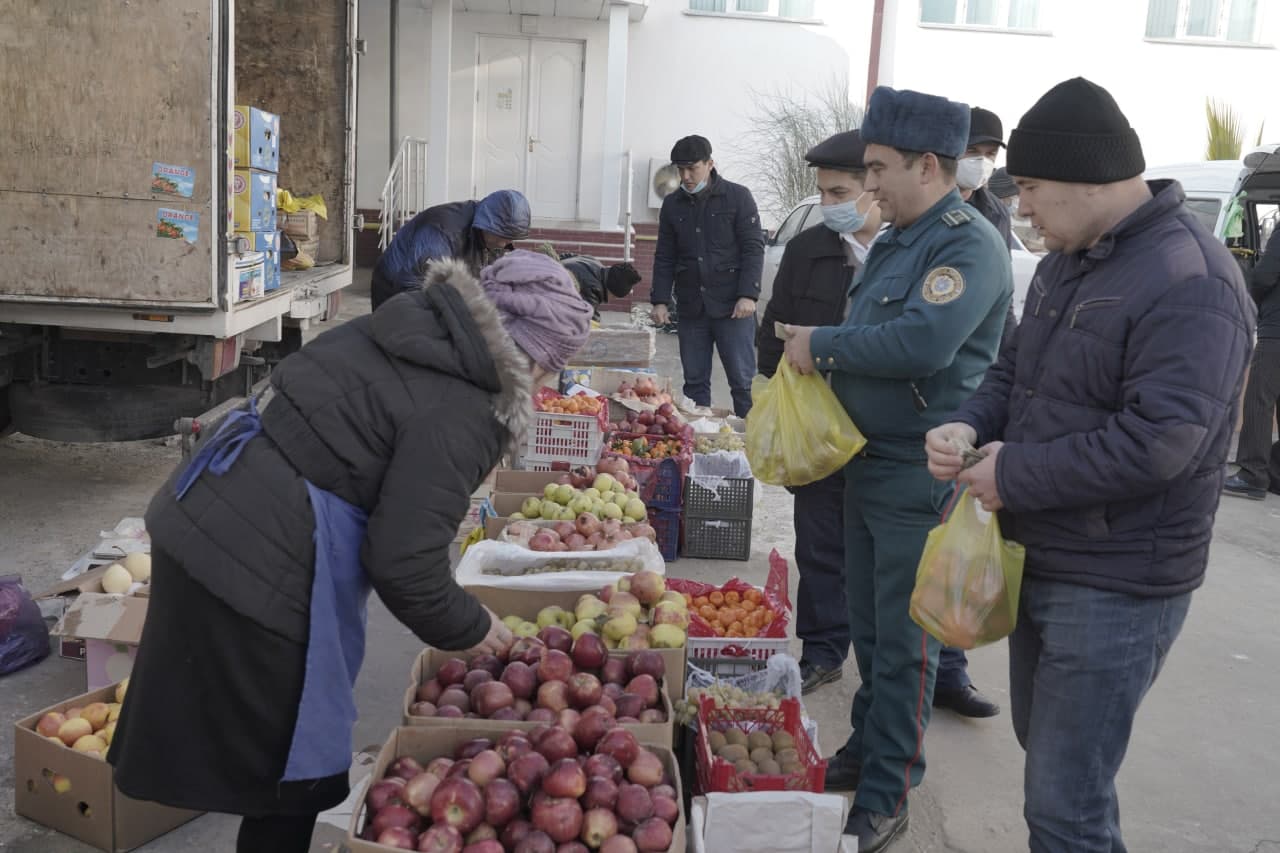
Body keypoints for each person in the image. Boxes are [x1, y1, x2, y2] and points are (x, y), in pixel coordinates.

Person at [108, 249, 593, 853]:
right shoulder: (469, 407)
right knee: (295, 764)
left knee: (232, 728)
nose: (548, 382)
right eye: (553, 364)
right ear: (528, 352)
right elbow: (404, 565)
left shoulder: (412, 323)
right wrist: (474, 625)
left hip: (206, 500)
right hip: (264, 551)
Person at [926, 77, 1255, 853]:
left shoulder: (1193, 281)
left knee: (1066, 803)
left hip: (1117, 579)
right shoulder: (1070, 262)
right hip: (1043, 553)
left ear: (1090, 178)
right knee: (1050, 760)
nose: (1025, 207)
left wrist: (1013, 474)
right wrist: (966, 423)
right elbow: (1013, 373)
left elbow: (1161, 443)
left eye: (1033, 188)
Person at [782, 87, 1012, 851]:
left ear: (927, 163)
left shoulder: (965, 243)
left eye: (879, 168)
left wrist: (822, 345)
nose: (869, 184)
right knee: (873, 633)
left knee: (907, 644)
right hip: (866, 459)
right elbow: (870, 325)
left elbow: (921, 344)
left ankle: (889, 789)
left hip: (919, 471)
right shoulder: (902, 238)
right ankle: (864, 748)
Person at [758, 128, 881, 695]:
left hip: (889, 430)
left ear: (874, 188)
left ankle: (940, 670)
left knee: (898, 555)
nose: (827, 206)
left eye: (838, 194)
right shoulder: (808, 251)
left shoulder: (910, 252)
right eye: (823, 194)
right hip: (821, 428)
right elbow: (770, 334)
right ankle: (824, 649)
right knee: (821, 542)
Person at [932, 106, 1014, 720]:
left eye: (992, 151)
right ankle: (934, 669)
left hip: (980, 402)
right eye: (976, 148)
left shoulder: (993, 213)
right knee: (934, 549)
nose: (984, 160)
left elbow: (1006, 321)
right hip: (937, 405)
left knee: (959, 549)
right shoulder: (931, 218)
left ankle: (950, 671)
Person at [651, 135, 764, 417]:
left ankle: (753, 447)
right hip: (692, 308)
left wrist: (748, 294)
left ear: (710, 164)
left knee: (743, 383)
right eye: (680, 170)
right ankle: (699, 445)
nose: (686, 177)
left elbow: (753, 248)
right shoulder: (673, 205)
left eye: (693, 168)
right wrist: (660, 300)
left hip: (733, 308)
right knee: (695, 386)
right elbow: (665, 255)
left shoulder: (738, 197)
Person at [370, 189, 531, 310]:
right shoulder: (442, 232)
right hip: (395, 286)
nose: (505, 244)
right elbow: (417, 284)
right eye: (502, 236)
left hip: (427, 284)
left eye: (511, 238)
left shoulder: (486, 230)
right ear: (488, 224)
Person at [1224, 222, 1280, 499]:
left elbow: (1265, 276)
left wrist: (1248, 298)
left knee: (1259, 399)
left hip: (1277, 330)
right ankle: (1276, 474)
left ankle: (1252, 473)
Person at [561, 254, 642, 321]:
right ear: (611, 289)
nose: (610, 300)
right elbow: (588, 318)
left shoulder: (593, 261)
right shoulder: (594, 288)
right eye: (614, 296)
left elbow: (566, 256)